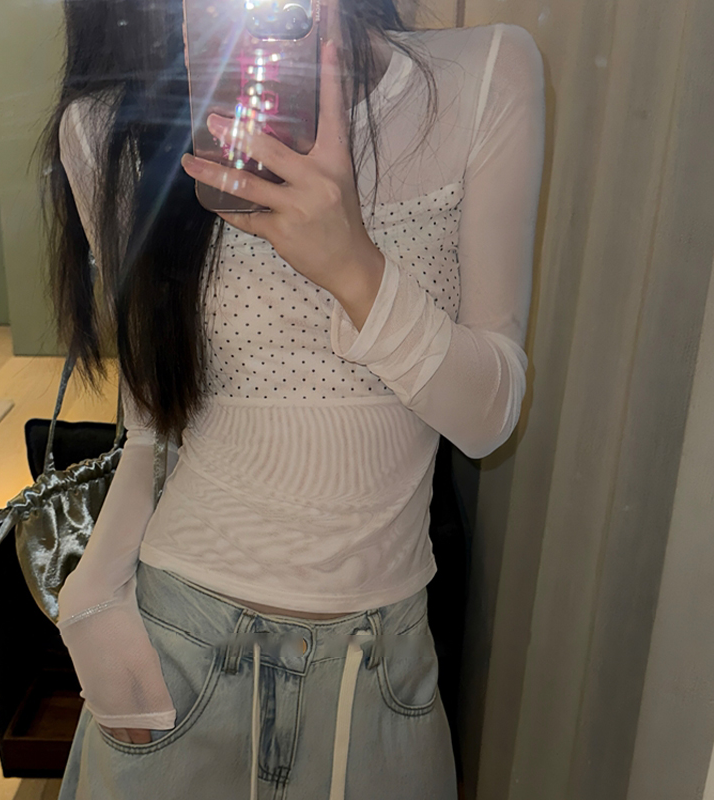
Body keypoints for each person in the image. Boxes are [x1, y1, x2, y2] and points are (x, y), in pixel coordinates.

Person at [41, 0, 545, 797]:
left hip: (377, 674)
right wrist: (93, 599)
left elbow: (490, 418)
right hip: (177, 654)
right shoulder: (108, 127)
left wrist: (354, 267)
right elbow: (151, 424)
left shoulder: (482, 78)